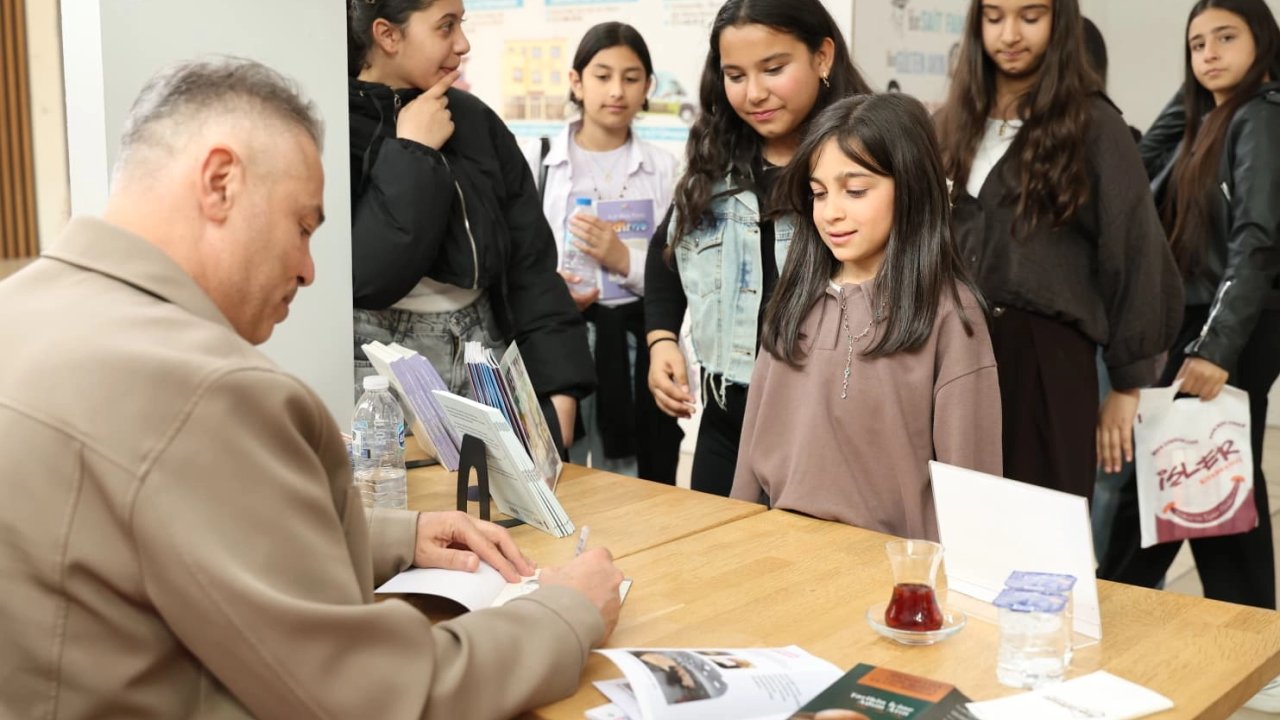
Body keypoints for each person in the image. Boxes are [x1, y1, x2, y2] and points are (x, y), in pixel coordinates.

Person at [0, 57, 623, 720]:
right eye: (303, 226)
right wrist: (565, 612)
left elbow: (148, 531)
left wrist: (393, 536)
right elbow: (374, 695)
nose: (307, 270)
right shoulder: (208, 389)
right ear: (219, 183)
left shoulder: (21, 310)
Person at [935, 0, 1184, 502]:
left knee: (1040, 535)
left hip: (1047, 361)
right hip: (955, 352)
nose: (1010, 34)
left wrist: (1127, 384)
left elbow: (1134, 251)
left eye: (1030, 16)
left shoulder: (1092, 125)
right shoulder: (951, 123)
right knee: (959, 522)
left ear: (1059, 22)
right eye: (994, 16)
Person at [730, 94, 1002, 540]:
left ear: (911, 186)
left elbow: (973, 488)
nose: (832, 212)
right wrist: (735, 537)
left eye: (855, 191)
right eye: (819, 193)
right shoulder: (793, 297)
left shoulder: (951, 313)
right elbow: (750, 458)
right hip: (777, 552)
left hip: (892, 574)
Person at [645, 0, 873, 496]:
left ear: (822, 57)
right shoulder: (716, 162)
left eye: (774, 69)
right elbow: (667, 253)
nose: (753, 93)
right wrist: (661, 339)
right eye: (735, 74)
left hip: (825, 428)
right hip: (726, 419)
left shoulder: (865, 164)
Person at [347, 0, 592, 449]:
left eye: (462, 24)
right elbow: (368, 277)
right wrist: (414, 150)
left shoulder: (475, 119)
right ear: (388, 35)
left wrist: (562, 387)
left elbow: (530, 263)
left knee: (514, 517)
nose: (463, 44)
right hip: (378, 369)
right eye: (446, 27)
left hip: (487, 351)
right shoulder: (337, 125)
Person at [1101, 0, 1280, 612]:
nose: (1209, 52)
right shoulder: (1206, 121)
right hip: (1197, 318)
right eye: (1197, 43)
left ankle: (1118, 609)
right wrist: (1193, 92)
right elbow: (1139, 163)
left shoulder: (1261, 117)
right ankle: (1248, 637)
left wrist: (1215, 347)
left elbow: (1257, 240)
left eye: (1227, 38)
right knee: (1207, 472)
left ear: (1264, 41)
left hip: (1232, 324)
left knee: (1185, 469)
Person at [524, 22, 684, 483]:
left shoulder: (662, 167)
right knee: (561, 474)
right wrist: (553, 292)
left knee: (635, 479)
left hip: (633, 343)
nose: (617, 90)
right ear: (576, 81)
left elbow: (677, 272)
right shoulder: (538, 158)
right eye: (602, 75)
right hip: (558, 340)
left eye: (632, 78)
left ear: (648, 86)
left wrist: (623, 260)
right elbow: (519, 259)